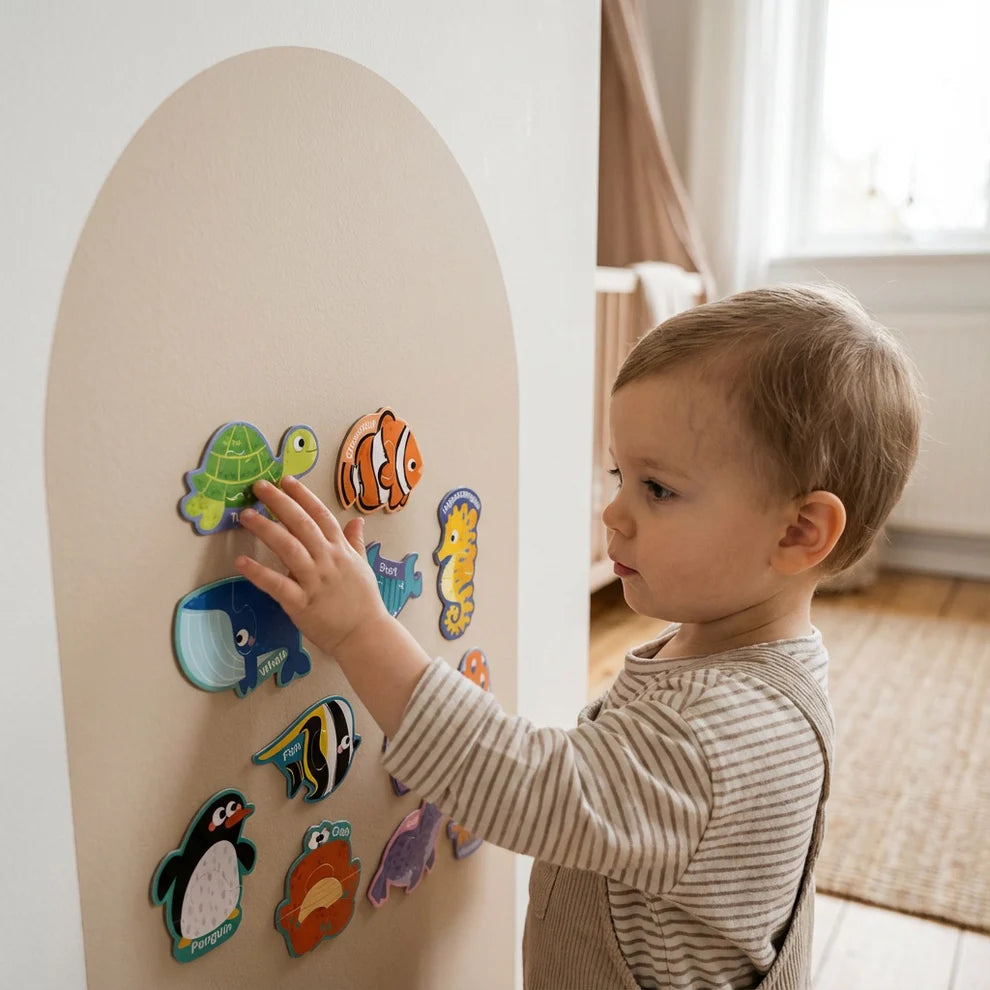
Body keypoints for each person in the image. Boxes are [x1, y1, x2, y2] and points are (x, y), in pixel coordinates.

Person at [236, 283, 923, 990]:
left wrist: (359, 628)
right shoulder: (746, 655)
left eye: (658, 489)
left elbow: (521, 786)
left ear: (797, 532)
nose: (614, 513)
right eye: (620, 474)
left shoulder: (719, 741)